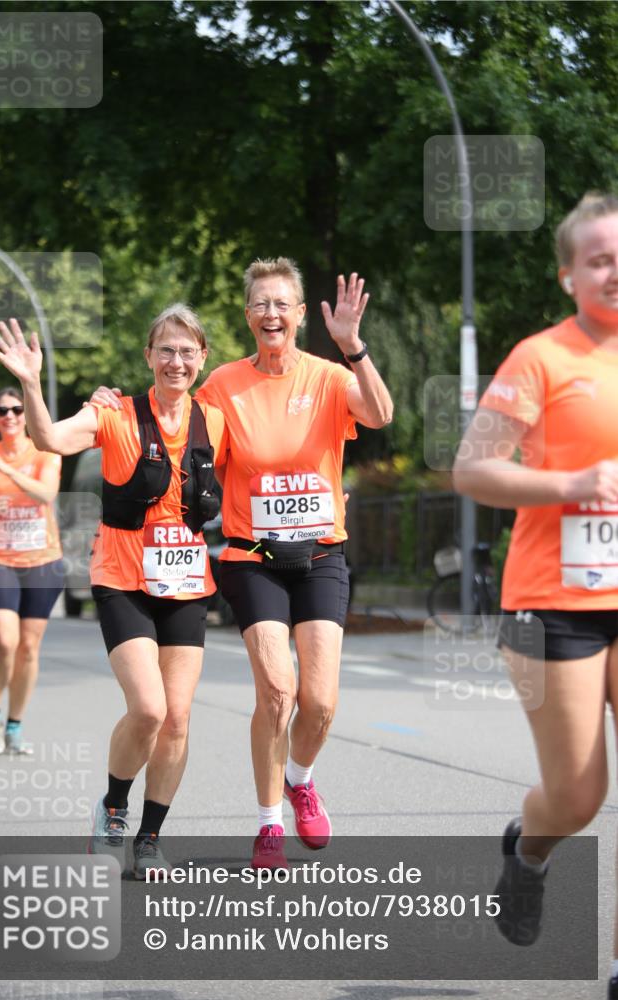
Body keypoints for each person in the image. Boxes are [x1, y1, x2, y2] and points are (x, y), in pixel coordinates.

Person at [91, 261, 393, 868]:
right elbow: (168, 415)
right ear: (247, 314)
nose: (272, 314)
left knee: (321, 700)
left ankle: (301, 779)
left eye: (283, 304)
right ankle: (268, 823)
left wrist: (355, 347)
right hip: (251, 557)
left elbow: (381, 414)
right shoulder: (221, 385)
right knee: (278, 691)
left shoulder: (331, 377)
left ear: (302, 314)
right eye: (260, 304)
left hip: (323, 555)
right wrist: (109, 405)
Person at [0, 306, 226, 879]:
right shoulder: (113, 412)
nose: (176, 360)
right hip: (121, 578)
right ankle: (114, 808)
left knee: (178, 719)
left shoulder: (215, 419)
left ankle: (149, 838)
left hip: (188, 583)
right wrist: (30, 381)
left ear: (202, 360)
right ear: (148, 356)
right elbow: (48, 438)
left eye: (187, 351)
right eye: (165, 349)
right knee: (148, 708)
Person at [452, 193, 618, 994]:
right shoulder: (540, 358)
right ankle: (529, 847)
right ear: (568, 276)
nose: (613, 271)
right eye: (598, 259)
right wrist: (570, 482)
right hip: (550, 604)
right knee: (578, 795)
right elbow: (472, 469)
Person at [0, 385, 64, 756]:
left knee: (28, 648)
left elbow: (45, 495)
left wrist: (3, 470)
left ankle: (14, 724)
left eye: (16, 409)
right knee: (5, 642)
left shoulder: (45, 450)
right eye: (2, 410)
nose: (10, 415)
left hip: (42, 562)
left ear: (25, 416)